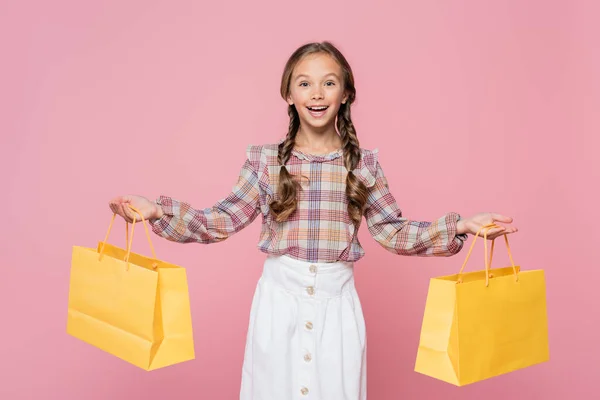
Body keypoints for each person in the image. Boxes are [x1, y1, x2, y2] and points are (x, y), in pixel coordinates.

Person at [109, 41, 517, 400]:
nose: (316, 93)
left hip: (337, 311)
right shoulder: (265, 161)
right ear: (288, 94)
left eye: (328, 82)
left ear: (345, 93)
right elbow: (221, 219)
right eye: (304, 83)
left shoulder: (363, 164)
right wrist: (159, 211)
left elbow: (393, 231)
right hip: (276, 307)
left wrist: (460, 225)